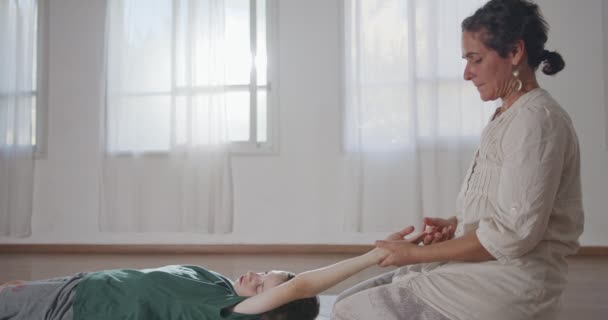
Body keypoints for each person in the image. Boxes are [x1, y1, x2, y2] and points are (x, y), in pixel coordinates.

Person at [331, 0, 583, 319]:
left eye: (475, 59)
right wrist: (457, 224)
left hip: (510, 283)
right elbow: (510, 205)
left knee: (350, 310)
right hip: (486, 270)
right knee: (350, 299)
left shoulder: (536, 121)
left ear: (515, 52)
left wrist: (415, 254)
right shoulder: (510, 114)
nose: (466, 74)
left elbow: (513, 234)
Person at [0, 228, 431, 320]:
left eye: (263, 288)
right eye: (266, 272)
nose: (256, 277)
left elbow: (302, 286)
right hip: (85, 284)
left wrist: (375, 256)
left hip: (75, 307)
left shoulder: (230, 312)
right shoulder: (215, 286)